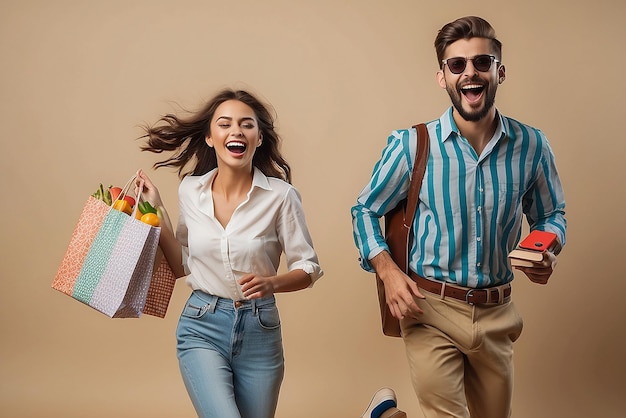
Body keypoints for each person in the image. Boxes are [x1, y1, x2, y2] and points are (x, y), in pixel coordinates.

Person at [351, 16, 566, 418]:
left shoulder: (532, 145)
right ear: (442, 77)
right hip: (428, 307)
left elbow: (551, 214)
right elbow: (364, 210)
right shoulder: (411, 145)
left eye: (482, 63)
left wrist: (547, 248)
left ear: (499, 71)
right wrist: (388, 271)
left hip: (498, 311)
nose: (470, 72)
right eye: (457, 65)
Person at [135, 88, 323, 418]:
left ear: (259, 138)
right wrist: (158, 208)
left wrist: (272, 283)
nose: (236, 130)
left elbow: (308, 268)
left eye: (246, 124)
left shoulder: (281, 197)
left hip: (260, 330)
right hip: (201, 325)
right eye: (225, 124)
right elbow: (183, 265)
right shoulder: (190, 191)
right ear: (210, 137)